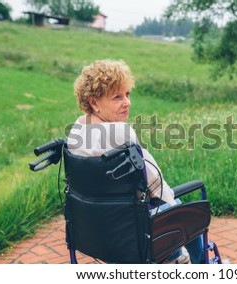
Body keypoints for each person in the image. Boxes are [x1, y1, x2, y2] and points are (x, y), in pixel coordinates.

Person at [66, 59, 204, 264]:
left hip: (96, 231)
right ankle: (201, 265)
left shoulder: (76, 132)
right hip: (133, 230)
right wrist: (171, 200)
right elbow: (154, 182)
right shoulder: (122, 134)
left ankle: (174, 257)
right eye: (117, 97)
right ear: (94, 102)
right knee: (184, 211)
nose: (127, 102)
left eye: (127, 94)